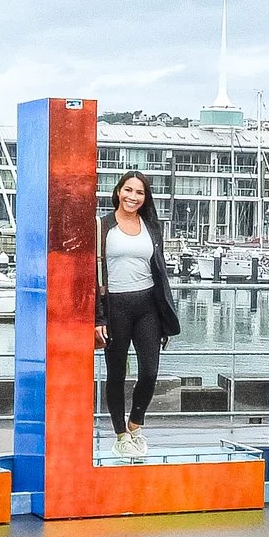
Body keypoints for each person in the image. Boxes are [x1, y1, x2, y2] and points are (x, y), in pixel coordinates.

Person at [95, 171, 183, 456]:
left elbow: (161, 273)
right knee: (117, 374)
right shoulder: (102, 226)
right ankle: (120, 435)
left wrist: (166, 319)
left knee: (149, 371)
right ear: (118, 191)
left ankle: (135, 424)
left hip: (148, 306)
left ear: (146, 198)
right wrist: (98, 319)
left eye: (140, 192)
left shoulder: (152, 227)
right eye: (128, 190)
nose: (133, 197)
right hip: (115, 307)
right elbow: (92, 275)